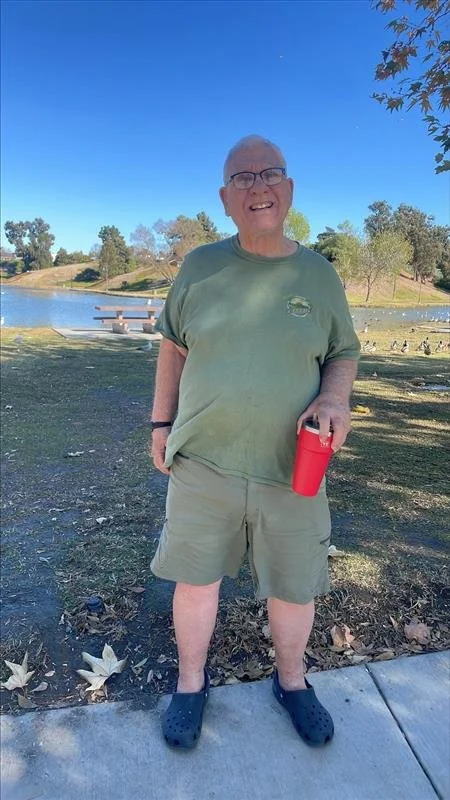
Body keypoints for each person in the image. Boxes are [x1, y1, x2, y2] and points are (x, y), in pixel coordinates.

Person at [150, 135, 360, 750]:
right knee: (195, 581)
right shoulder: (199, 267)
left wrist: (333, 398)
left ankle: (291, 683)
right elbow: (172, 346)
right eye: (242, 177)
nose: (257, 186)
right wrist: (161, 425)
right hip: (203, 461)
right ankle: (191, 684)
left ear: (289, 190)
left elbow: (343, 351)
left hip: (294, 466)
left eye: (270, 174)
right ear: (225, 198)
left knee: (294, 586)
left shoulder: (318, 274)